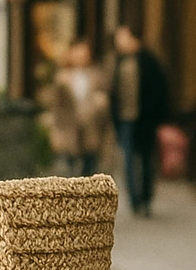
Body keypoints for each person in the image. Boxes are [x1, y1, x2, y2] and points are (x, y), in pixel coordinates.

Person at [110, 26, 169, 216]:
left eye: (122, 38)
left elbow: (159, 90)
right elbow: (114, 92)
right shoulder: (119, 62)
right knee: (127, 159)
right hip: (125, 119)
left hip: (145, 120)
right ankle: (134, 199)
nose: (119, 42)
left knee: (146, 159)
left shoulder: (148, 61)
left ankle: (146, 197)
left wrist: (159, 117)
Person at [50, 40, 110, 177]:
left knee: (90, 169)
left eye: (84, 52)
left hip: (90, 129)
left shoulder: (96, 75)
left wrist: (99, 105)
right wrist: (55, 132)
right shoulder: (62, 77)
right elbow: (56, 108)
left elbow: (103, 99)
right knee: (68, 171)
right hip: (68, 130)